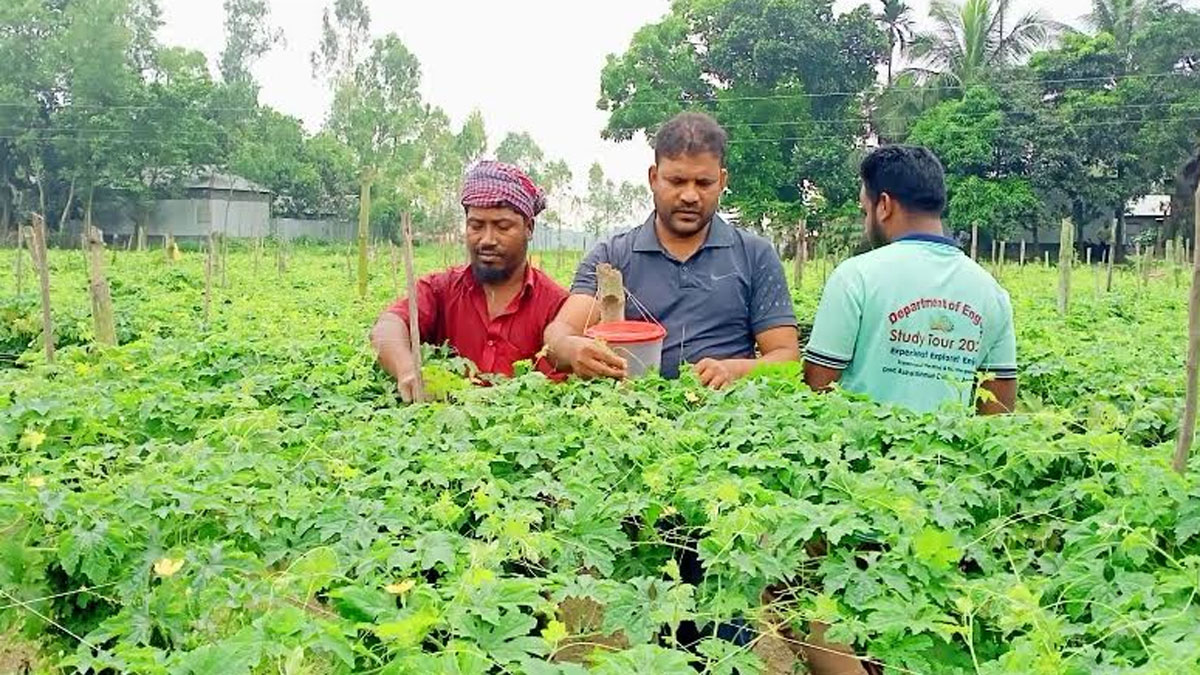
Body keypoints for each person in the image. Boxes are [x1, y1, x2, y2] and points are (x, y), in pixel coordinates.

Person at [544, 111, 799, 388]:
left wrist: (733, 371)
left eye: (704, 183)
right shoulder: (612, 256)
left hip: (728, 416)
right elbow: (561, 332)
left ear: (722, 181)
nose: (690, 196)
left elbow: (786, 357)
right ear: (654, 178)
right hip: (634, 415)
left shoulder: (754, 255)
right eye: (677, 181)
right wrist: (572, 349)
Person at [804, 145, 1017, 414]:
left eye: (865, 211)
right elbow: (998, 409)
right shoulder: (992, 292)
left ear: (884, 205)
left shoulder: (855, 277)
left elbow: (816, 388)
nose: (866, 221)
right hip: (947, 455)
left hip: (860, 453)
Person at [370, 161, 568, 401]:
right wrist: (406, 369)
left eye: (502, 227)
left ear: (529, 228)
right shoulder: (441, 290)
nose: (487, 239)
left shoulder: (556, 306)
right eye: (476, 226)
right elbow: (388, 325)